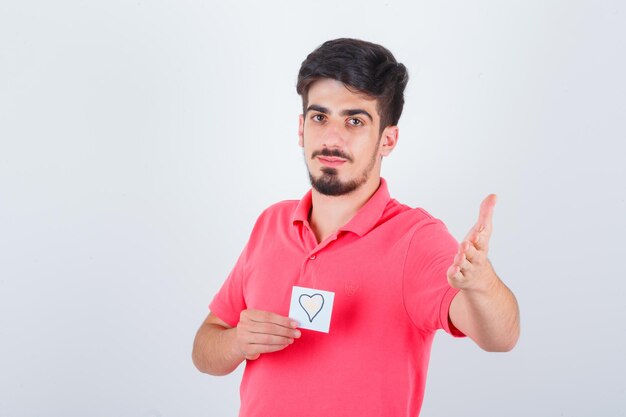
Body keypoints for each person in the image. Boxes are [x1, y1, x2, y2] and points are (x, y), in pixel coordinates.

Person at [192, 38, 520, 417]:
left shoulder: (415, 238)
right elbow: (205, 348)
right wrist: (236, 342)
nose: (333, 137)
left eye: (354, 120)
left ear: (388, 139)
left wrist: (482, 283)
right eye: (320, 117)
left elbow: (502, 338)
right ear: (301, 128)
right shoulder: (271, 223)